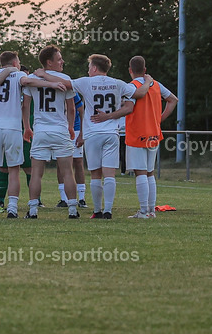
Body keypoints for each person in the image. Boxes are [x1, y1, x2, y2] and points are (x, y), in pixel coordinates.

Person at [54, 54, 150, 219]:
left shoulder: (86, 82)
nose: (88, 70)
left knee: (96, 174)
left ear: (94, 68)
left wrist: (41, 74)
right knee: (110, 174)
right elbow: (139, 94)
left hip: (92, 133)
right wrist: (148, 82)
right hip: (111, 133)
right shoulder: (118, 83)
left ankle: (97, 211)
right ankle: (108, 211)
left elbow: (63, 82)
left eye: (89, 66)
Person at [0, 51, 65, 218]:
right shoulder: (18, 75)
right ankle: (12, 209)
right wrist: (50, 84)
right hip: (12, 128)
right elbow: (28, 81)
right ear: (15, 63)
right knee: (14, 170)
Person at [24, 46, 79, 219]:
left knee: (36, 173)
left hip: (40, 130)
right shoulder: (65, 78)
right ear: (49, 62)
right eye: (59, 59)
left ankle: (33, 210)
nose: (62, 61)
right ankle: (72, 209)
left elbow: (25, 105)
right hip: (59, 129)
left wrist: (27, 126)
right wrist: (70, 126)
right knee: (67, 172)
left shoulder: (32, 78)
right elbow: (72, 109)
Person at [123, 56, 177, 219]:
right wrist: (159, 119)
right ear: (145, 70)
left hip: (137, 133)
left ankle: (143, 211)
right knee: (149, 173)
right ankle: (151, 210)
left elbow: (127, 107)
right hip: (153, 133)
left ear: (130, 70)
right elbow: (173, 100)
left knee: (140, 173)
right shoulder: (156, 85)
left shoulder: (132, 86)